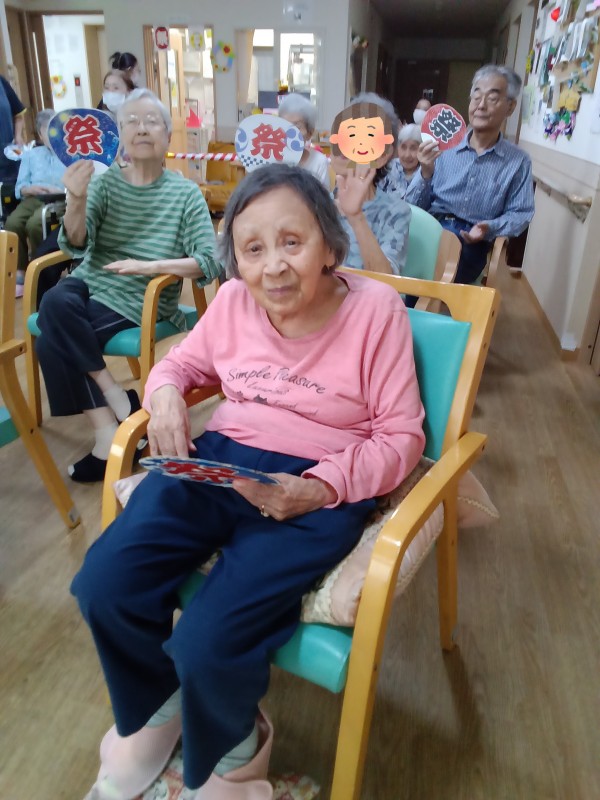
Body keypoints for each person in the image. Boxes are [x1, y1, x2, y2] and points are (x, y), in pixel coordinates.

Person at [71, 163, 425, 800]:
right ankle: (157, 707)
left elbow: (401, 437)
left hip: (317, 482)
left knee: (209, 641)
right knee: (104, 582)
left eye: (292, 242)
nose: (274, 267)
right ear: (234, 259)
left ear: (329, 244)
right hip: (220, 459)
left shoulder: (376, 311)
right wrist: (166, 395)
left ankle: (234, 752)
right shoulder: (234, 301)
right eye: (253, 249)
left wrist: (322, 487)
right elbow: (178, 365)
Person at [35, 88, 222, 483]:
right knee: (55, 302)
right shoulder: (104, 185)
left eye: (152, 121)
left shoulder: (185, 193)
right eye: (131, 122)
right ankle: (117, 401)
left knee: (51, 337)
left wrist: (149, 266)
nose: (141, 128)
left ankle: (108, 435)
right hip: (90, 284)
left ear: (167, 137)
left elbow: (210, 260)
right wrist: (75, 199)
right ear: (118, 135)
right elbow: (76, 243)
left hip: (140, 297)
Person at [406, 64, 535, 284]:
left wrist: (489, 228)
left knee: (447, 261)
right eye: (476, 96)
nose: (481, 105)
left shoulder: (518, 161)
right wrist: (425, 172)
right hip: (432, 227)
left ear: (510, 107)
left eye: (492, 98)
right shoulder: (443, 146)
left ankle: (419, 299)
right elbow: (412, 204)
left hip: (473, 240)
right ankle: (417, 299)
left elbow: (521, 214)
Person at [331, 92, 411, 275]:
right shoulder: (315, 204)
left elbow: (386, 280)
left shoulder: (395, 212)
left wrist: (356, 217)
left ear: (383, 156)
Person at [4, 109, 66, 295]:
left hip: (60, 199)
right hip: (33, 197)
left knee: (35, 224)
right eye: (48, 129)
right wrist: (29, 189)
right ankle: (21, 270)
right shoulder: (31, 155)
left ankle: (44, 271)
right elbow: (20, 187)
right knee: (12, 223)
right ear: (40, 133)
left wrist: (60, 190)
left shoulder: (69, 153)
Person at [277, 93, 329, 188]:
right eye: (284, 125)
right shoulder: (270, 159)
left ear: (310, 133)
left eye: (297, 127)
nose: (289, 133)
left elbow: (322, 196)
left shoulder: (319, 162)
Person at [378, 123, 422, 199]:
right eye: (403, 147)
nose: (407, 155)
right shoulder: (387, 168)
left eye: (413, 148)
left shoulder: (426, 174)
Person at [0, 73, 26, 183]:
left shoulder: (1, 82)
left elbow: (18, 113)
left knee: (10, 189)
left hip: (7, 155)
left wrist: (18, 136)